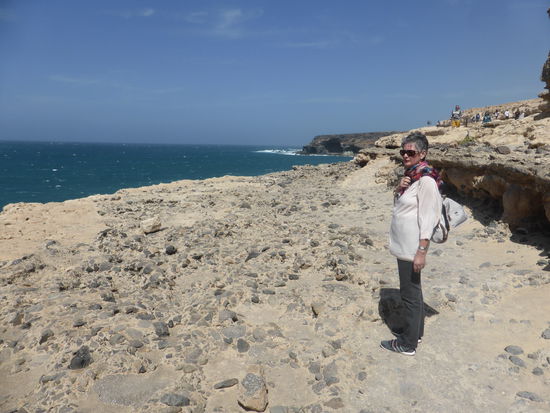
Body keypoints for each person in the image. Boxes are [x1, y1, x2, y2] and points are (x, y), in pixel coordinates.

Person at [380, 132, 443, 356]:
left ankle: (408, 344)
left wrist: (421, 251)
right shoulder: (413, 177)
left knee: (410, 295)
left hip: (412, 248)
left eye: (411, 152)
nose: (405, 156)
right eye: (403, 152)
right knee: (413, 292)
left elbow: (429, 218)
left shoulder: (426, 181)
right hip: (404, 245)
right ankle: (415, 332)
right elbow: (401, 207)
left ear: (422, 154)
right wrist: (400, 189)